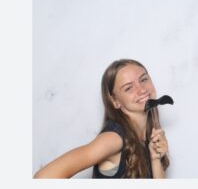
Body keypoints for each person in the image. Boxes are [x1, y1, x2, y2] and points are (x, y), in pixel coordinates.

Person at [34, 59, 170, 179]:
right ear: (115, 101)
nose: (141, 89)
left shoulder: (149, 135)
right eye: (128, 88)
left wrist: (155, 159)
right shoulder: (113, 138)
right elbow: (43, 177)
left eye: (143, 79)